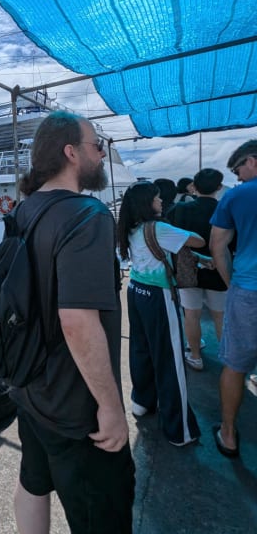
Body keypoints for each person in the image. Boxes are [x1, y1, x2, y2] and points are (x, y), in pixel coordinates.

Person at [11, 111, 134, 534]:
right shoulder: (87, 217)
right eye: (96, 143)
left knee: (32, 484)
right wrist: (110, 406)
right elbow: (78, 321)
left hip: (30, 388)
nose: (101, 152)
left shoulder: (25, 211)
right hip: (77, 408)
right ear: (70, 152)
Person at [117, 181, 203, 446]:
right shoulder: (160, 228)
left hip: (136, 291)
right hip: (159, 296)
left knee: (141, 350)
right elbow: (199, 241)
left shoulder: (130, 228)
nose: (160, 201)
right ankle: (180, 430)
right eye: (156, 198)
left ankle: (142, 402)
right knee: (170, 359)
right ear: (147, 203)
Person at [209, 140, 257, 459]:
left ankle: (228, 434)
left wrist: (231, 283)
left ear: (251, 161)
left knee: (235, 366)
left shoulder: (236, 196)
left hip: (249, 289)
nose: (237, 175)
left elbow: (217, 246)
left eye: (238, 168)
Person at [168, 168, 229, 370]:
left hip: (188, 269)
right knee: (220, 315)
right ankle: (227, 360)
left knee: (191, 314)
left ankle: (195, 356)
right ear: (219, 187)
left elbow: (173, 239)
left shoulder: (180, 209)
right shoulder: (225, 209)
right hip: (219, 268)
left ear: (194, 186)